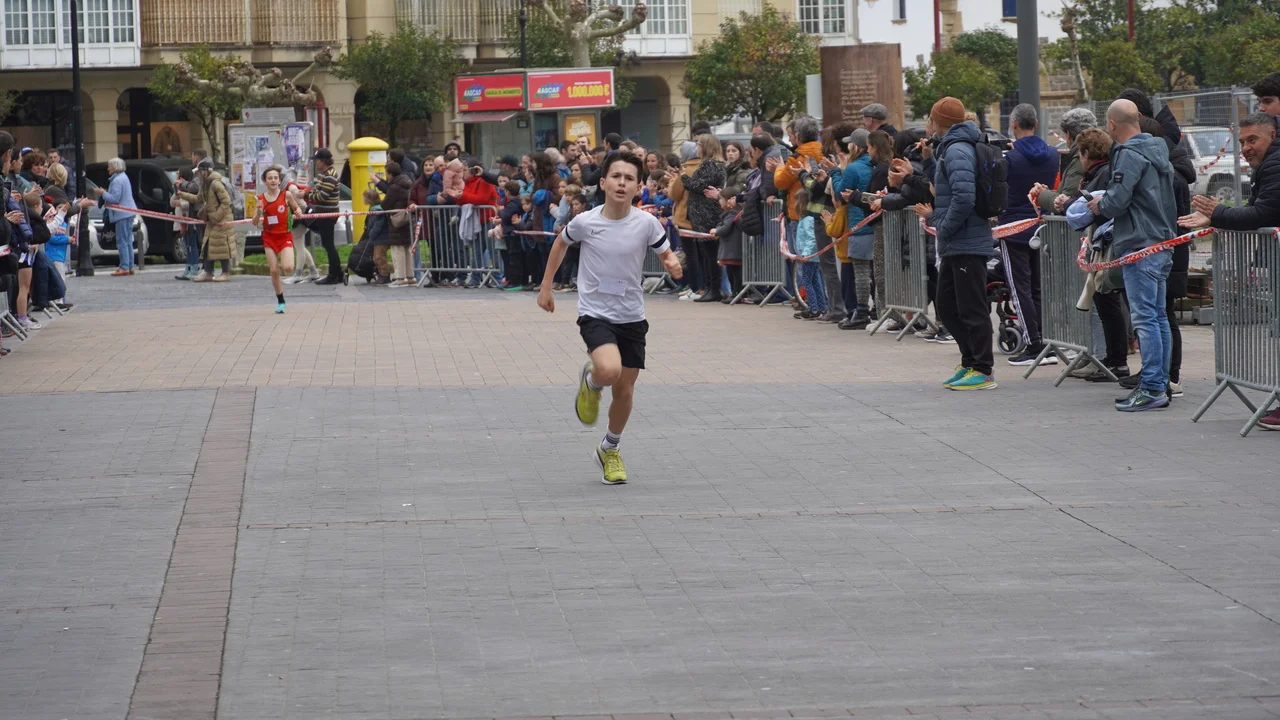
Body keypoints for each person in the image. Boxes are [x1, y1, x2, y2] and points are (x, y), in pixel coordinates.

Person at [536, 150, 683, 485]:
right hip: (595, 312)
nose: (621, 183)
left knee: (625, 391)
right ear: (603, 182)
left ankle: (609, 449)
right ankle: (592, 381)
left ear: (638, 187)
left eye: (629, 178)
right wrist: (546, 287)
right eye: (616, 176)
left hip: (631, 314)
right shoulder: (586, 222)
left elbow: (664, 251)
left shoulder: (646, 223)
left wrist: (672, 263)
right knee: (609, 370)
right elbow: (560, 244)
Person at [1179, 111, 1279, 427]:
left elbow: (1262, 214)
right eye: (1242, 141)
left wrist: (1219, 213)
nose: (1246, 148)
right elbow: (1256, 211)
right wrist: (1218, 216)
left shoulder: (1275, 165)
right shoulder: (1269, 165)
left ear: (1272, 136)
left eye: (1253, 140)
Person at [1088, 99, 1178, 412]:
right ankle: (1159, 383)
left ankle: (1152, 387)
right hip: (1161, 242)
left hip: (1140, 243)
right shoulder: (1158, 150)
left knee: (1145, 318)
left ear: (1112, 124)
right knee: (1157, 316)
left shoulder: (1129, 154)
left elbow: (1117, 202)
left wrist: (1099, 204)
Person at [923, 97, 998, 391]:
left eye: (930, 119)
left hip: (967, 241)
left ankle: (983, 368)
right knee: (948, 305)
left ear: (938, 121)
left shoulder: (956, 149)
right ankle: (970, 361)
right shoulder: (950, 148)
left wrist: (944, 226)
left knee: (971, 307)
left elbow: (964, 197)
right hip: (958, 242)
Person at [1001, 104, 1060, 367]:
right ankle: (1045, 340)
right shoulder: (1053, 155)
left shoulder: (1009, 158)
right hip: (1041, 225)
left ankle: (1033, 344)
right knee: (1038, 288)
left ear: (1014, 124)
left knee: (1019, 288)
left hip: (1013, 226)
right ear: (1035, 124)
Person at [775, 115, 844, 321]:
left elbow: (814, 187)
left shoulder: (805, 156)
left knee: (825, 267)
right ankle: (827, 307)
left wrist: (801, 174)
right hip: (823, 214)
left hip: (819, 214)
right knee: (825, 267)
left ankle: (833, 309)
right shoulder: (825, 156)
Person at [671, 134, 726, 303]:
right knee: (705, 254)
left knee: (710, 255)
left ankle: (714, 289)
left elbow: (697, 186)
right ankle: (708, 288)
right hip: (701, 215)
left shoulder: (711, 165)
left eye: (700, 145)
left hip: (707, 214)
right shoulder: (707, 164)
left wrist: (683, 176)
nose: (697, 148)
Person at [832, 128, 874, 329]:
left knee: (861, 272)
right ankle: (880, 310)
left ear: (856, 146)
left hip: (859, 224)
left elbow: (841, 193)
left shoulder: (853, 168)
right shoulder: (876, 165)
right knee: (878, 273)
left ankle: (862, 311)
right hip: (876, 224)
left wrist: (835, 172)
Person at [253, 166, 302, 311]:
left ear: (280, 180)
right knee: (274, 270)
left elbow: (296, 208)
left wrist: (298, 211)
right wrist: (259, 212)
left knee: (288, 268)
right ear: (265, 181)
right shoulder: (260, 199)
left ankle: (287, 263)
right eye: (270, 178)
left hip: (284, 235)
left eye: (276, 178)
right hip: (269, 237)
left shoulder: (286, 195)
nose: (273, 181)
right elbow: (254, 222)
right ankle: (281, 301)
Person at [1035, 108, 1098, 214]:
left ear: (1068, 134)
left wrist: (1042, 194)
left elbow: (1066, 202)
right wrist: (1048, 192)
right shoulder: (1097, 152)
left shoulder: (1079, 159)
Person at [185, 158, 236, 283]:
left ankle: (225, 273)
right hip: (213, 220)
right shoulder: (205, 184)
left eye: (199, 172)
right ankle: (208, 272)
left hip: (221, 220)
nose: (197, 174)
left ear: (205, 171)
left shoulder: (215, 183)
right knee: (208, 244)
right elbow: (198, 198)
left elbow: (226, 201)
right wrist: (183, 195)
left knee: (221, 245)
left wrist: (216, 216)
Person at [304, 148, 343, 284]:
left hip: (328, 214)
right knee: (328, 244)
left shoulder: (330, 175)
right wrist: (310, 194)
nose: (316, 163)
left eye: (317, 160)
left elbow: (322, 196)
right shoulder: (324, 174)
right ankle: (338, 274)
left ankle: (334, 275)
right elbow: (316, 192)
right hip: (323, 213)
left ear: (323, 161)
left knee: (328, 245)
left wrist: (305, 195)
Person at [93, 157, 138, 276]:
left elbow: (115, 199)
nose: (108, 169)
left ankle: (124, 266)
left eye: (109, 166)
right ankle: (130, 266)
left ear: (115, 167)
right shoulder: (123, 177)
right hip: (128, 212)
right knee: (127, 241)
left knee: (122, 241)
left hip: (122, 214)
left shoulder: (117, 180)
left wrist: (103, 193)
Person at [374, 160, 416, 286]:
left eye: (386, 173)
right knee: (407, 249)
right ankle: (410, 277)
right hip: (407, 219)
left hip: (397, 222)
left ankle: (400, 278)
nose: (386, 176)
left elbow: (385, 204)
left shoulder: (394, 187)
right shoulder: (407, 181)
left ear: (390, 174)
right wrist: (381, 181)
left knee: (397, 250)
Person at [792, 187, 827, 320]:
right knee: (816, 281)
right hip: (813, 255)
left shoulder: (807, 219)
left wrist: (806, 254)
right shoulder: (808, 218)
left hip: (809, 256)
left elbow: (811, 238)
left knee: (807, 281)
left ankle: (813, 308)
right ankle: (821, 307)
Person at [711, 190, 744, 302]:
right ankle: (734, 292)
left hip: (733, 248)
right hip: (731, 249)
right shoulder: (728, 214)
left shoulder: (732, 213)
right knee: (731, 271)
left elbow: (726, 228)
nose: (719, 201)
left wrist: (717, 231)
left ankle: (736, 293)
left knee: (735, 272)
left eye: (721, 199)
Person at [172, 167, 202, 280]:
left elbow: (190, 203)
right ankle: (188, 267)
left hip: (189, 220)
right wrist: (176, 189)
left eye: (178, 174)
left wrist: (180, 203)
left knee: (192, 245)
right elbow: (172, 202)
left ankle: (194, 267)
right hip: (181, 220)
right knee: (186, 245)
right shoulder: (180, 187)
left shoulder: (191, 188)